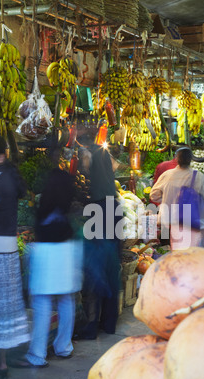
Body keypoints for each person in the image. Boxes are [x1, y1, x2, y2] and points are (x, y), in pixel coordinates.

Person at [22, 168, 83, 368]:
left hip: (47, 255)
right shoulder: (67, 207)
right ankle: (64, 347)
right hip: (67, 253)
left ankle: (37, 354)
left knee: (42, 304)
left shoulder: (44, 206)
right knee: (66, 301)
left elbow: (38, 230)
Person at [73, 123, 123, 340]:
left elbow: (83, 169)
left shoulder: (88, 152)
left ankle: (91, 326)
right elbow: (115, 168)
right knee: (112, 268)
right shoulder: (105, 152)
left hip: (100, 209)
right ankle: (109, 324)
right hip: (114, 207)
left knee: (95, 268)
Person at [0, 134, 30, 376]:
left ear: (0, 156)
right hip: (3, 252)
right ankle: (0, 360)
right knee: (0, 309)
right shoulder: (2, 178)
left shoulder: (1, 182)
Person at [150, 147, 204, 246]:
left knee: (173, 254)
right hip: (191, 223)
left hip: (170, 222)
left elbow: (153, 195)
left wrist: (165, 198)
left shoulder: (167, 175)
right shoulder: (199, 176)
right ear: (191, 160)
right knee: (190, 254)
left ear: (176, 159)